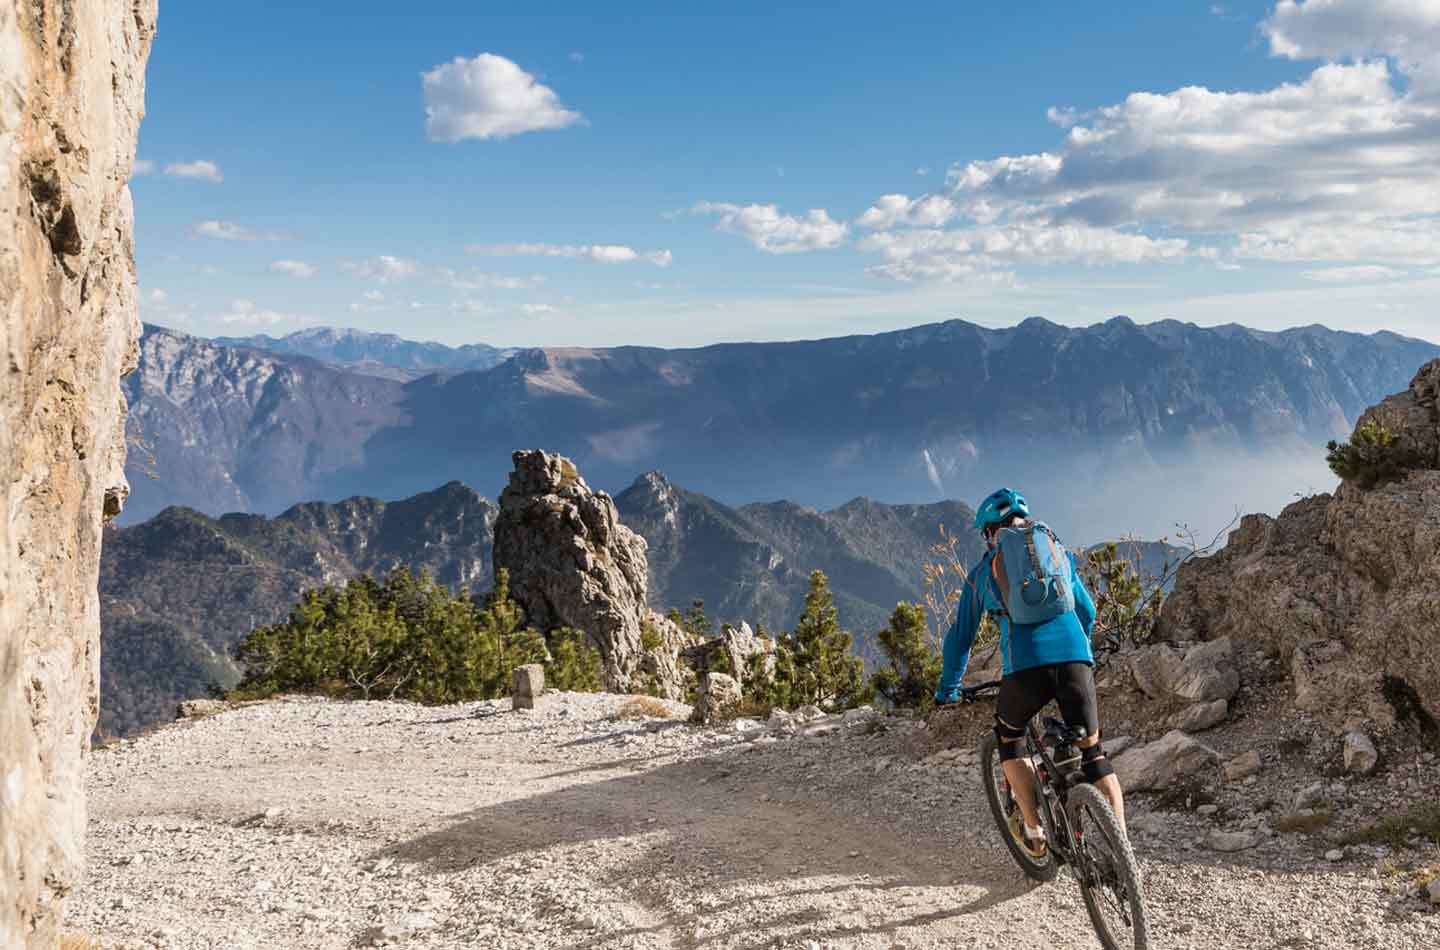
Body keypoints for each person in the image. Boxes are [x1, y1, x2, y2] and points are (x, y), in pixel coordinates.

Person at [934, 487, 1125, 858]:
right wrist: (1081, 653)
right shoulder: (1059, 555)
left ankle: (1034, 830)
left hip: (1025, 670)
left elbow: (960, 639)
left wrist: (949, 689)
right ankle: (1124, 857)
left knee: (1009, 738)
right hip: (1075, 662)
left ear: (990, 532)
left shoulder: (982, 574)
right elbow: (1086, 612)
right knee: (1095, 753)